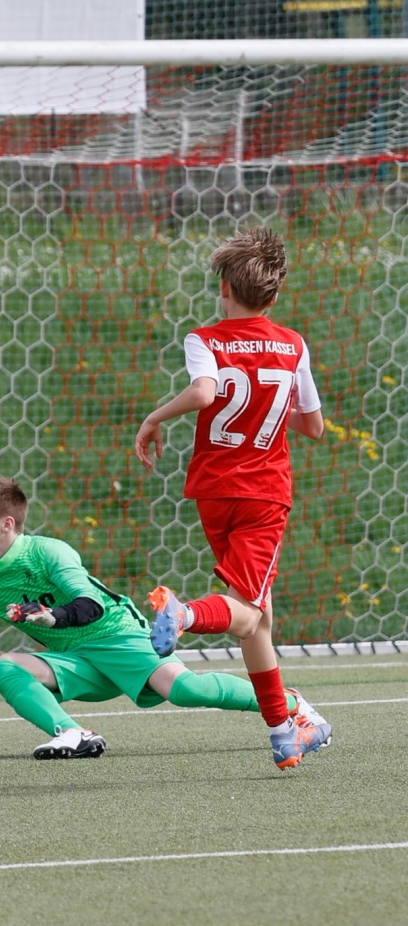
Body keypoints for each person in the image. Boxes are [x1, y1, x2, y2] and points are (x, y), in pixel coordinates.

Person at [0, 479, 330, 765]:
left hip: (117, 636)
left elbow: (90, 605)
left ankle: (292, 706)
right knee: (5, 667)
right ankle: (73, 734)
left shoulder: (47, 552)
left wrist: (53, 616)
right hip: (76, 660)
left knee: (185, 690)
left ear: (6, 524)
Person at [133, 227, 330, 770]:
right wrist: (267, 405)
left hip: (213, 490)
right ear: (274, 294)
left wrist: (154, 419)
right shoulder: (292, 344)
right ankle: (185, 613)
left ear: (225, 285)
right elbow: (312, 427)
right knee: (244, 613)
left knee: (258, 617)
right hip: (264, 494)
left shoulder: (205, 338)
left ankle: (283, 732)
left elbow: (204, 392)